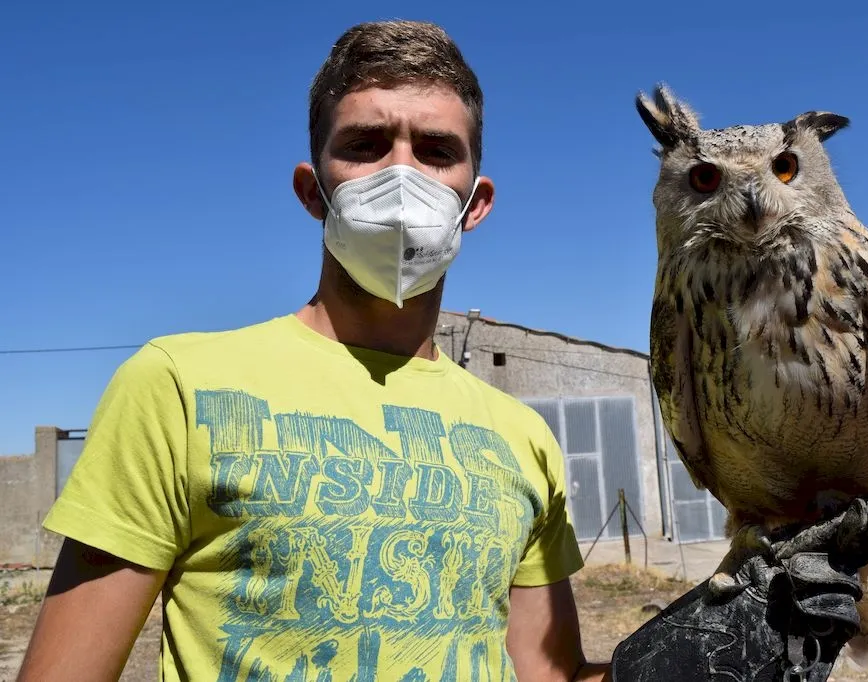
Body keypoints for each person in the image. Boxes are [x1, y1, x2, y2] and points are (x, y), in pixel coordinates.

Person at [17, 20, 610, 682]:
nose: (401, 175)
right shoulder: (178, 387)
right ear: (312, 192)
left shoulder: (522, 438)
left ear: (476, 204)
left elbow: (549, 674)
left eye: (436, 151)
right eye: (365, 145)